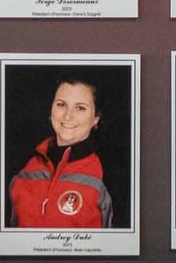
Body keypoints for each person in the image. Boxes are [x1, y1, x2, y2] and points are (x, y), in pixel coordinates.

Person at [7, 76, 116, 228]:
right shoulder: (22, 169)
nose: (67, 116)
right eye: (61, 105)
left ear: (96, 118)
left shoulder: (109, 178)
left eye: (80, 108)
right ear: (51, 110)